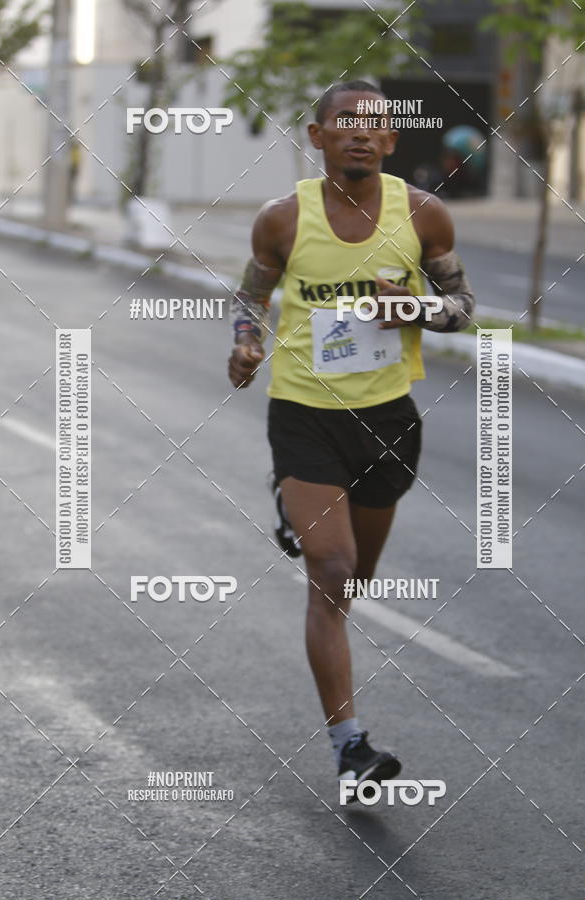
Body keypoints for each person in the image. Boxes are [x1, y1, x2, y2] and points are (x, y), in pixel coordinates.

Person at [227, 80, 475, 803]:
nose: (361, 134)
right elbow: (252, 294)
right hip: (303, 412)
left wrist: (420, 307)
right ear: (318, 136)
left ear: (392, 142)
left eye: (375, 126)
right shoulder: (282, 219)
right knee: (330, 573)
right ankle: (351, 747)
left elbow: (461, 307)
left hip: (389, 419)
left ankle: (295, 513)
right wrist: (247, 346)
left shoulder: (424, 215)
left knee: (355, 580)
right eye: (346, 123)